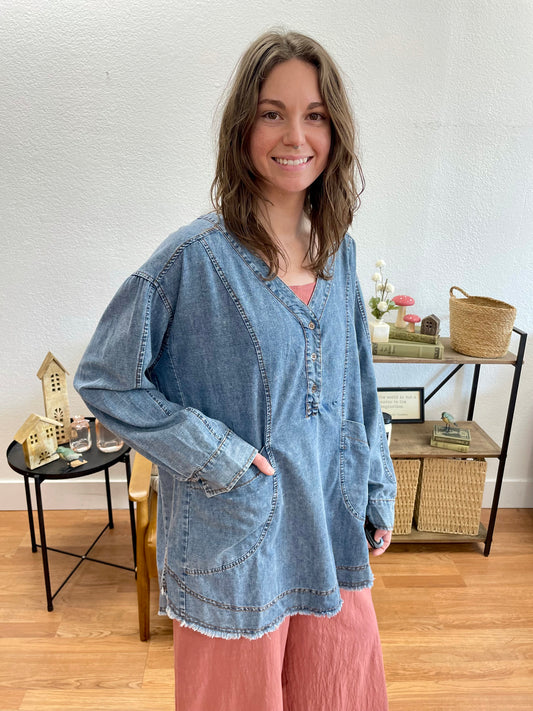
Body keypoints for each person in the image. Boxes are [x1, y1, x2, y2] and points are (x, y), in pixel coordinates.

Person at [75, 29, 396, 711]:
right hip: (236, 544)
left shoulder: (338, 250)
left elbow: (358, 386)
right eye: (272, 113)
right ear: (242, 127)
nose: (295, 136)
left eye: (314, 115)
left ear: (334, 130)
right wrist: (216, 454)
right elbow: (105, 379)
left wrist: (375, 485)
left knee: (337, 691)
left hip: (329, 527)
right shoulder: (193, 258)